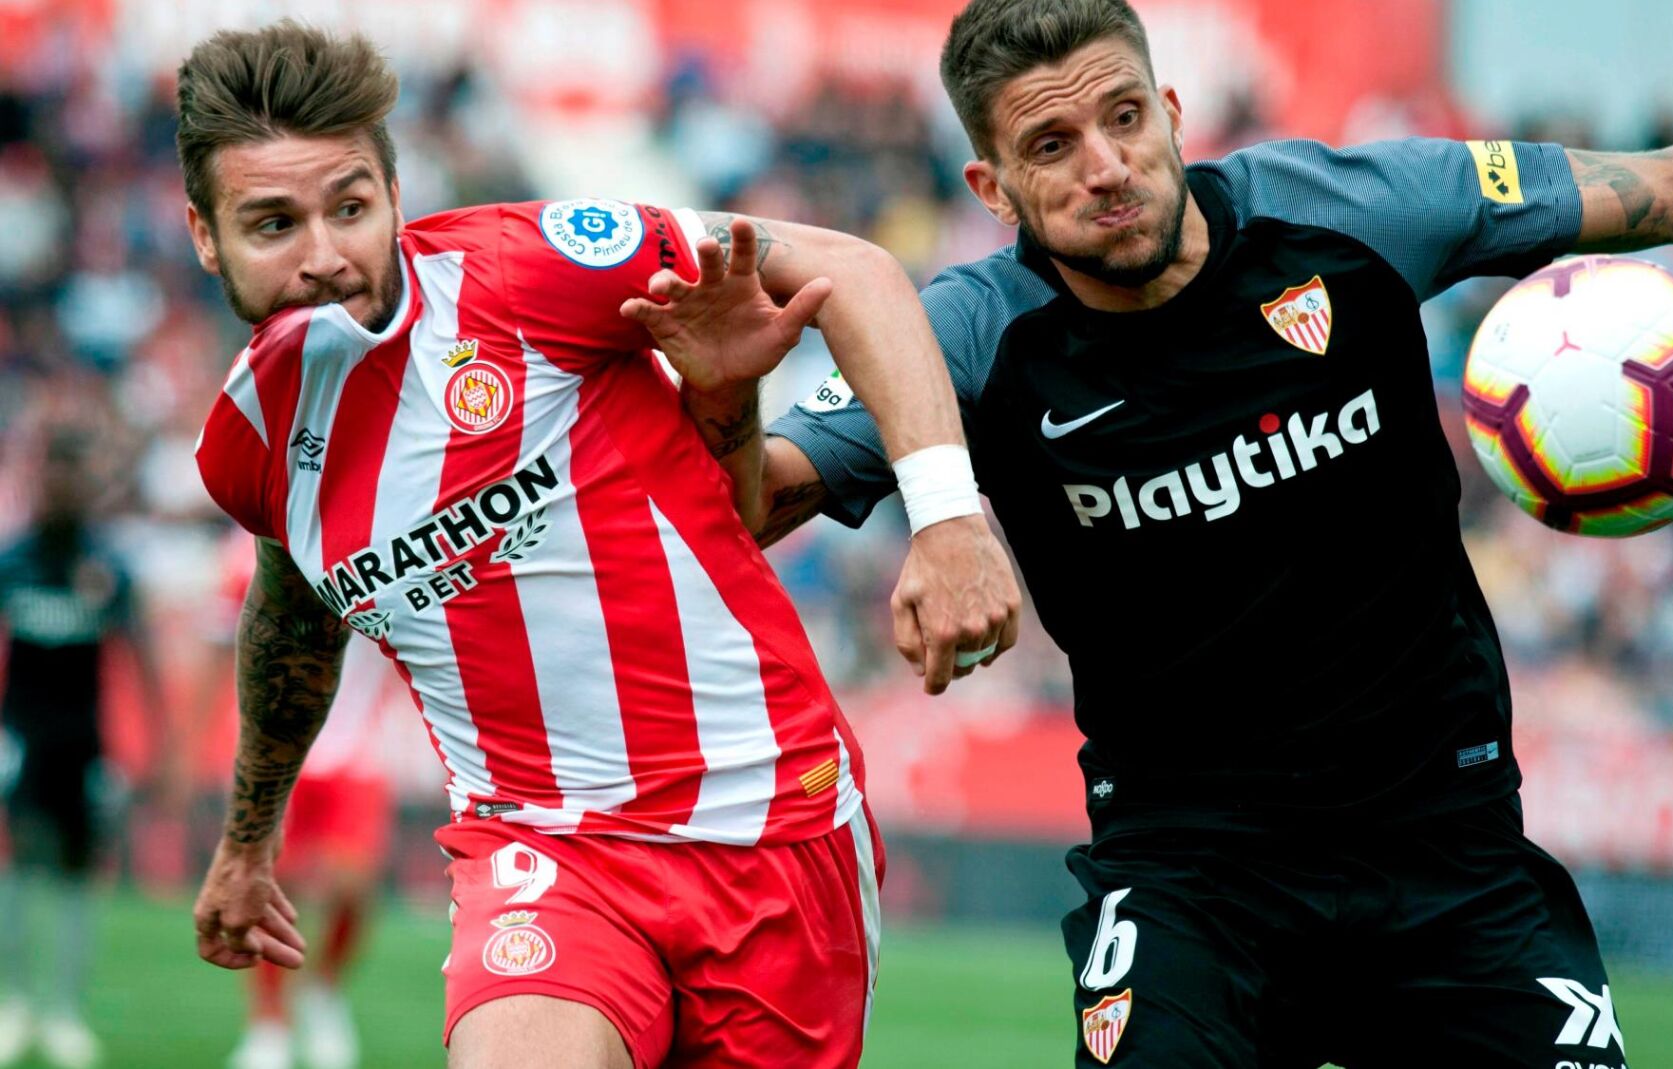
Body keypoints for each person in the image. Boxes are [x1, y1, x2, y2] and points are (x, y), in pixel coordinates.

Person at [740, 1, 1673, 1065]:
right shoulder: (966, 336)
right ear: (990, 189)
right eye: (1052, 146)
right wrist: (726, 397)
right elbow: (754, 498)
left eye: (1125, 118)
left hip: (1448, 852)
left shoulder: (1353, 211)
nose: (1106, 167)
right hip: (1190, 873)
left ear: (1171, 111)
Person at [177, 21, 1019, 1069]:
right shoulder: (246, 443)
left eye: (350, 208)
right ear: (205, 235)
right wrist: (247, 843)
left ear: (393, 191)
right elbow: (295, 617)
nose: (323, 258)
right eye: (272, 224)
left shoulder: (525, 269)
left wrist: (946, 518)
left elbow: (851, 269)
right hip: (538, 846)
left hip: (768, 822)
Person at [0, 430, 168, 1069]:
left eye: (73, 475)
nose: (62, 488)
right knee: (20, 862)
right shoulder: (13, 561)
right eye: (54, 474)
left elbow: (141, 654)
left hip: (85, 743)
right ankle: (15, 1003)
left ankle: (64, 1011)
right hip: (20, 738)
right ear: (39, 480)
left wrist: (159, 746)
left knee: (76, 870)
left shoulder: (107, 567)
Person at [209, 530, 406, 1069]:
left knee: (354, 885)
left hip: (357, 749)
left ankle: (324, 989)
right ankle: (269, 1025)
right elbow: (224, 649)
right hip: (277, 748)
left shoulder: (381, 534)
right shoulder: (242, 552)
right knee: (272, 882)